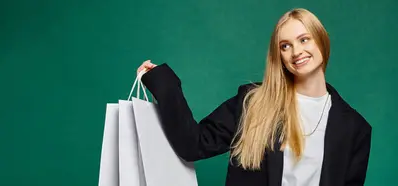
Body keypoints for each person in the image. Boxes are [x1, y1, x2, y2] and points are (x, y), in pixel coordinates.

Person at [138, 8, 372, 186]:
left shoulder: (355, 128)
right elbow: (193, 145)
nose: (296, 51)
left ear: (321, 40)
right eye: (285, 46)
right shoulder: (253, 103)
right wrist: (163, 84)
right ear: (278, 55)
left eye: (304, 39)